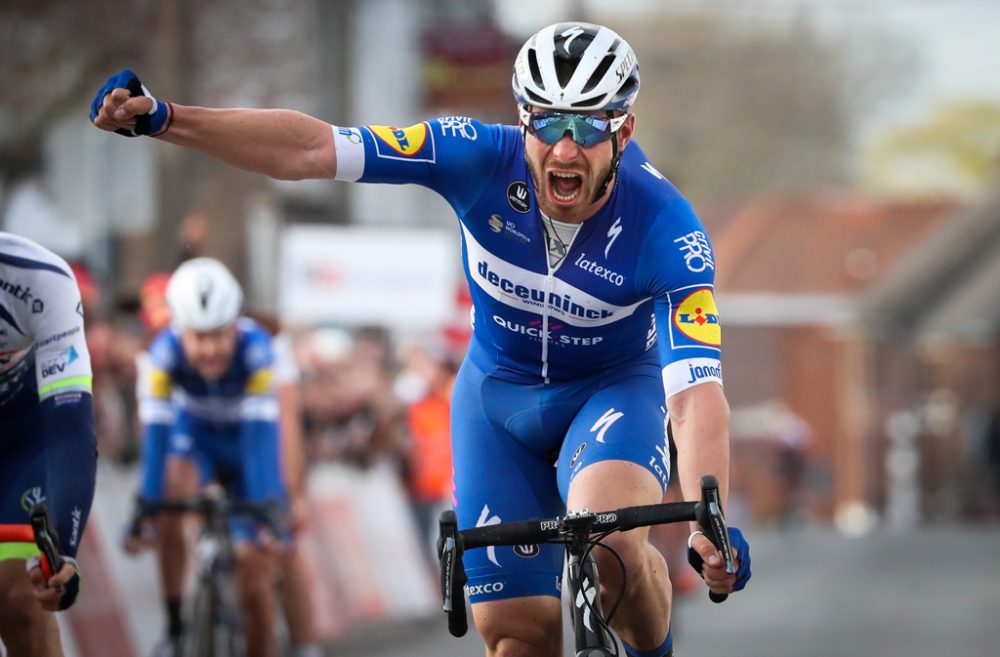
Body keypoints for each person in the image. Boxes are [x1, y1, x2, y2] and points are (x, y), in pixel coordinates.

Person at [90, 21, 752, 657]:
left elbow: (695, 394)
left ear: (624, 128)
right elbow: (314, 149)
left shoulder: (669, 229)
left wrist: (707, 523)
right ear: (522, 119)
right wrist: (165, 118)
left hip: (612, 393)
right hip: (499, 401)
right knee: (517, 633)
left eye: (587, 126)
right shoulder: (473, 157)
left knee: (611, 548)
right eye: (548, 123)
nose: (565, 148)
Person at [129, 257, 287, 657]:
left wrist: (269, 509)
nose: (212, 349)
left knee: (256, 583)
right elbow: (157, 438)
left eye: (220, 335)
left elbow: (260, 441)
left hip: (244, 448)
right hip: (194, 443)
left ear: (236, 325)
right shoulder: (161, 356)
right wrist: (146, 507)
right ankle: (175, 625)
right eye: (199, 338)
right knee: (171, 484)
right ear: (179, 329)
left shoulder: (258, 350)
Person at [0, 232, 97, 657]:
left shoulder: (41, 280)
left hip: (23, 436)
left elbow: (70, 426)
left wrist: (66, 552)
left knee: (20, 603)